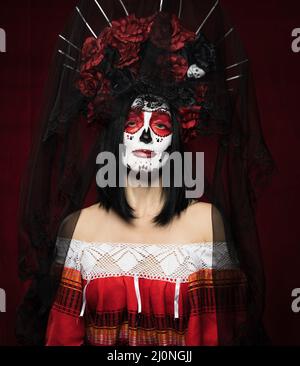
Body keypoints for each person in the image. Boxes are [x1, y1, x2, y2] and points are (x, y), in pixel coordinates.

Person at [16, 0, 276, 346]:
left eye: (162, 124)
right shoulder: (79, 228)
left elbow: (215, 337)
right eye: (134, 122)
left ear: (178, 136)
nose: (147, 136)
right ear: (114, 134)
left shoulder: (204, 224)